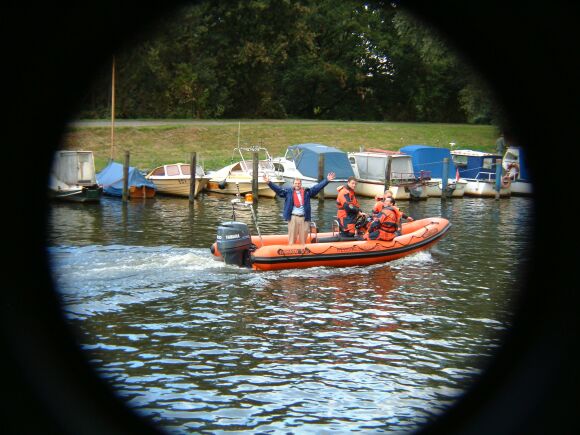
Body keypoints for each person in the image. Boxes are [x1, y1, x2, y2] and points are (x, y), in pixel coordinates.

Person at [264, 172, 336, 245]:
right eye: (296, 183)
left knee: (303, 240)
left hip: (304, 218)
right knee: (292, 239)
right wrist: (269, 183)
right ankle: (291, 249)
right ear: (293, 184)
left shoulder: (307, 192)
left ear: (301, 184)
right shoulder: (288, 192)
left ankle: (302, 249)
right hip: (293, 218)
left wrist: (327, 180)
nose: (297, 185)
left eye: (298, 183)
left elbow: (317, 187)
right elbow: (278, 189)